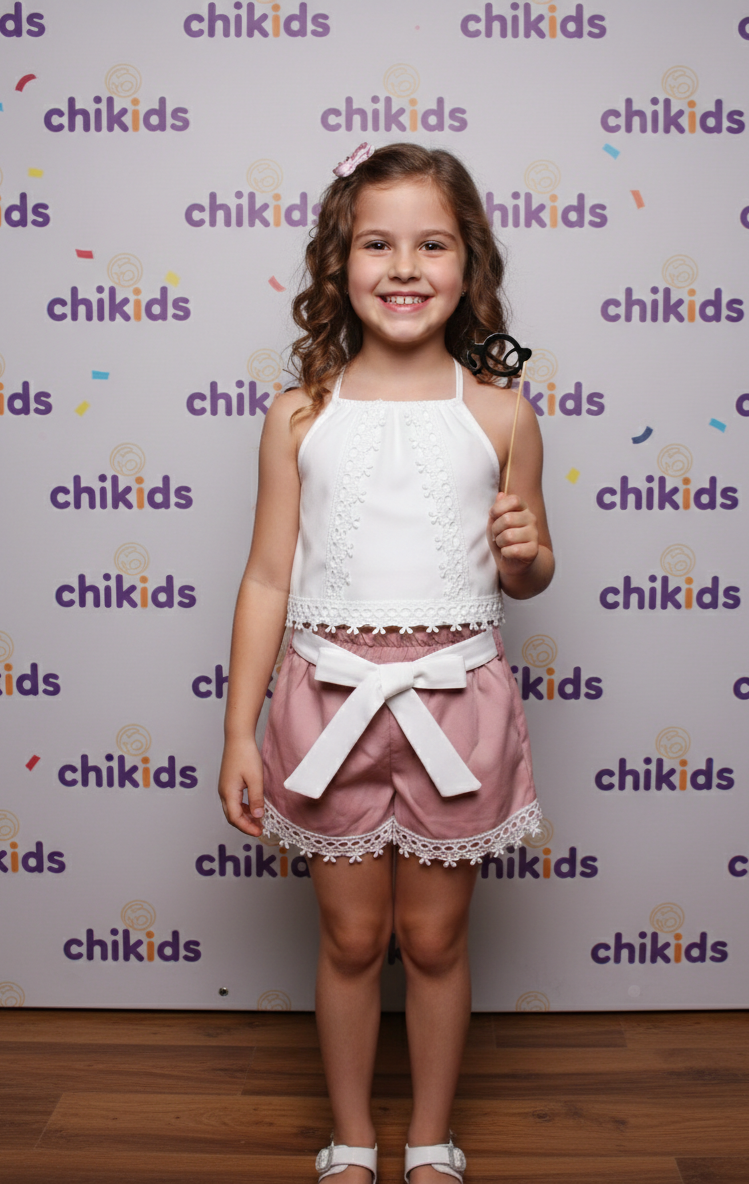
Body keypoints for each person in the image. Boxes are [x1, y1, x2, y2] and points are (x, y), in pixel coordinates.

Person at [218, 142, 554, 1184]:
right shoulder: (299, 414)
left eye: (431, 244)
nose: (404, 267)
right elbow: (266, 577)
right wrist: (238, 731)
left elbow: (531, 572)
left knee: (436, 941)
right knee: (353, 938)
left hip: (456, 702)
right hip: (326, 701)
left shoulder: (501, 412)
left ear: (468, 264)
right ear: (339, 262)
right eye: (377, 243)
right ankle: (353, 1136)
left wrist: (524, 553)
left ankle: (432, 1137)